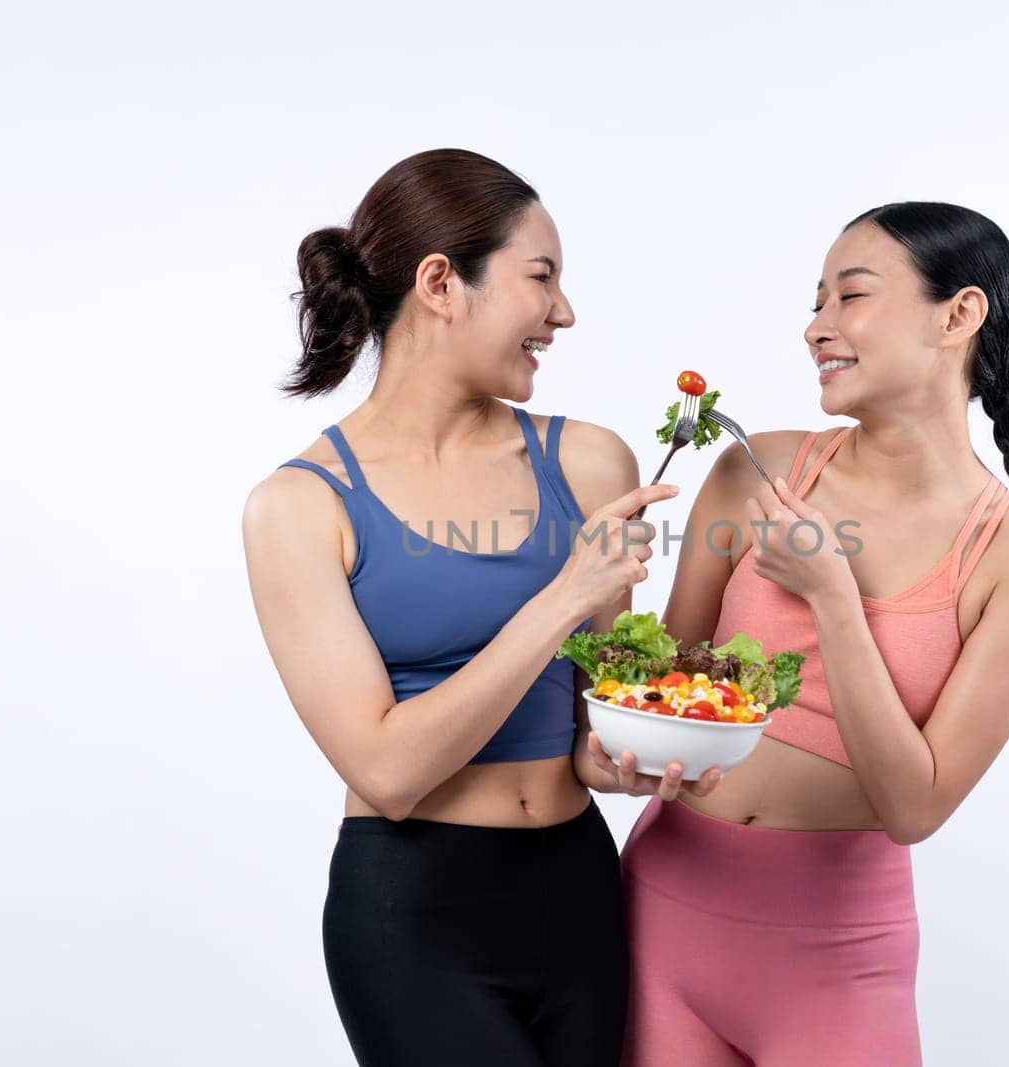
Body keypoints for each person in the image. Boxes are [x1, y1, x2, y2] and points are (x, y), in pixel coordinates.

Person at [594, 202, 1009, 1066]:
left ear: (960, 314)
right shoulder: (761, 468)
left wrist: (832, 595)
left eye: (849, 296)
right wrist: (611, 752)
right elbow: (666, 688)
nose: (816, 327)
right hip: (661, 914)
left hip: (838, 958)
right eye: (814, 301)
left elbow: (916, 805)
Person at [241, 148, 699, 1066]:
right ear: (441, 282)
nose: (563, 311)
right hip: (414, 914)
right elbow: (388, 769)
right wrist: (563, 594)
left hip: (577, 893)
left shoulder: (590, 462)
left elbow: (586, 723)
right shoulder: (301, 506)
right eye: (542, 277)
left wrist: (618, 760)